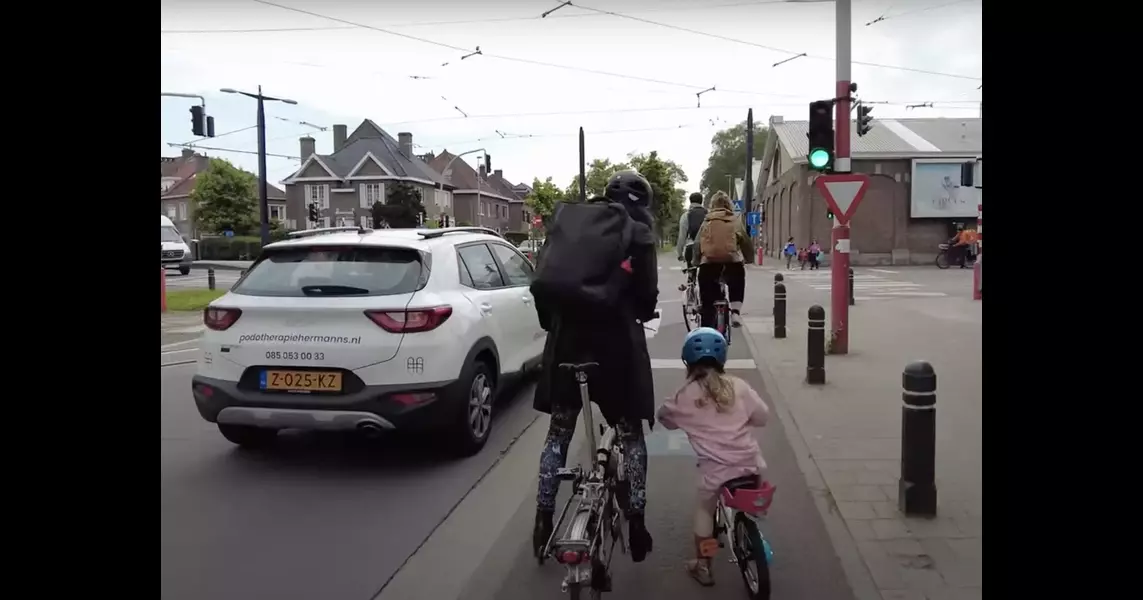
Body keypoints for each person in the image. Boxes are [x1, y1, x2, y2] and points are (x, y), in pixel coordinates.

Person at [529, 169, 659, 564]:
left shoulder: (571, 227)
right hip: (616, 345)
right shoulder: (638, 232)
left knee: (558, 434)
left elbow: (545, 284)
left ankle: (542, 518)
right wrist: (635, 308)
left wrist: (553, 325)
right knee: (631, 434)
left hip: (567, 341)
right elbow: (647, 295)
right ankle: (636, 523)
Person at [656, 327, 771, 586]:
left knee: (704, 511)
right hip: (750, 465)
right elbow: (762, 416)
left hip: (716, 473)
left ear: (687, 360)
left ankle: (704, 564)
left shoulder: (683, 396)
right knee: (746, 500)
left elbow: (664, 417)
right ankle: (747, 529)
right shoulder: (739, 386)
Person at [693, 192, 753, 329]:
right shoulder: (734, 221)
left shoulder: (706, 221)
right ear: (729, 205)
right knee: (737, 281)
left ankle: (707, 329)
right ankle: (735, 312)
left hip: (708, 264)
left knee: (708, 302)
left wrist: (696, 262)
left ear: (712, 205)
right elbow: (746, 242)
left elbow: (697, 244)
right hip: (731, 262)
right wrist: (749, 259)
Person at [676, 192, 708, 272]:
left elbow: (682, 236)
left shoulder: (686, 215)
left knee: (691, 271)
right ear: (701, 201)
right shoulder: (709, 214)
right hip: (707, 249)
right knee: (706, 276)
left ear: (690, 201)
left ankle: (691, 281)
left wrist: (680, 253)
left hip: (691, 248)